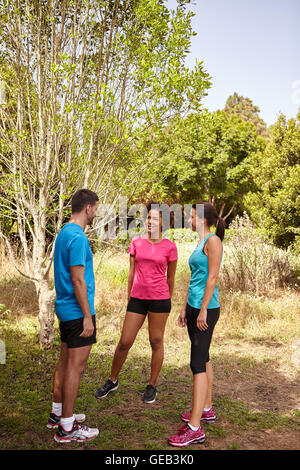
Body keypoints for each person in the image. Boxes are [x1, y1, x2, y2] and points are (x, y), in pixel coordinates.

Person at [95, 203, 178, 404]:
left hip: (159, 300)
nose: (150, 222)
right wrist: (128, 297)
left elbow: (171, 279)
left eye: (155, 219)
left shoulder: (170, 247)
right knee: (125, 342)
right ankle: (112, 380)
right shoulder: (137, 242)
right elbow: (131, 273)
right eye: (148, 218)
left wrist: (168, 300)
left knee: (156, 341)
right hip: (137, 299)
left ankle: (152, 385)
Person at [168, 202, 224, 447]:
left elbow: (212, 277)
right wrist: (185, 307)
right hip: (193, 307)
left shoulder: (213, 241)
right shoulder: (200, 242)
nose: (189, 220)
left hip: (207, 309)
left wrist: (201, 310)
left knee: (197, 363)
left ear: (202, 219)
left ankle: (194, 428)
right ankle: (207, 409)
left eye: (191, 216)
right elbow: (196, 279)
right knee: (205, 357)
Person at [47, 189, 100, 443]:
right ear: (88, 207)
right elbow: (78, 280)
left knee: (65, 361)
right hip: (77, 312)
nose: (96, 213)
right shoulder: (78, 237)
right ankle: (67, 428)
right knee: (74, 369)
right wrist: (88, 316)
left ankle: (58, 414)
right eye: (96, 208)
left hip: (65, 309)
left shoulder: (64, 232)